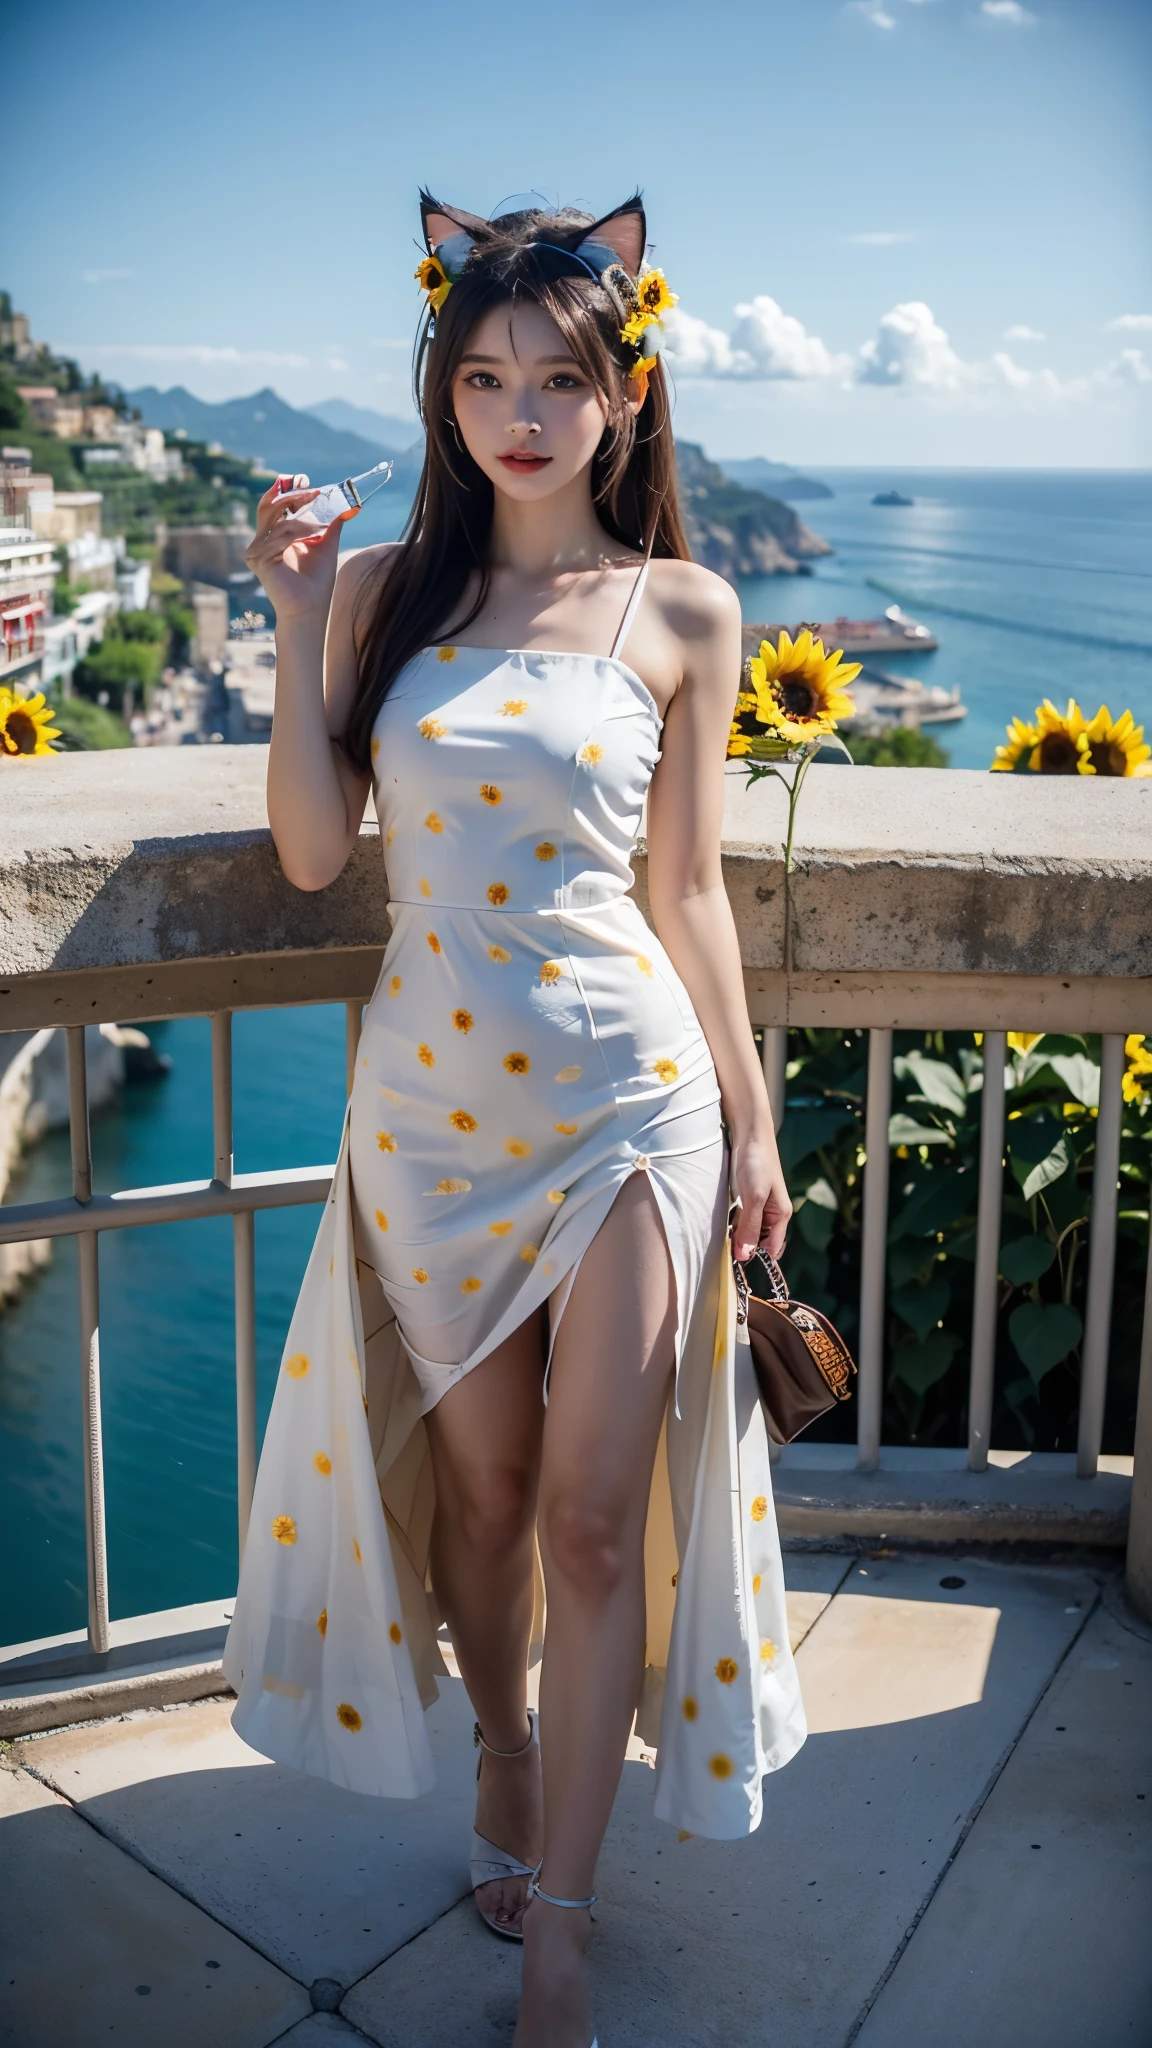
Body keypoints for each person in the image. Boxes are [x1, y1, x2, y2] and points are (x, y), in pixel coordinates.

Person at [224, 192, 806, 2048]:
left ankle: (561, 1917)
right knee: (475, 1493)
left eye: (560, 376)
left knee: (581, 1517)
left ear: (625, 395)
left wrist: (756, 1108)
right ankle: (500, 1746)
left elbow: (690, 890)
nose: (522, 411)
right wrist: (304, 614)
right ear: (445, 394)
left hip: (631, 1108)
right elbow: (319, 855)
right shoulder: (391, 590)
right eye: (484, 376)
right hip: (427, 1114)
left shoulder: (684, 609)